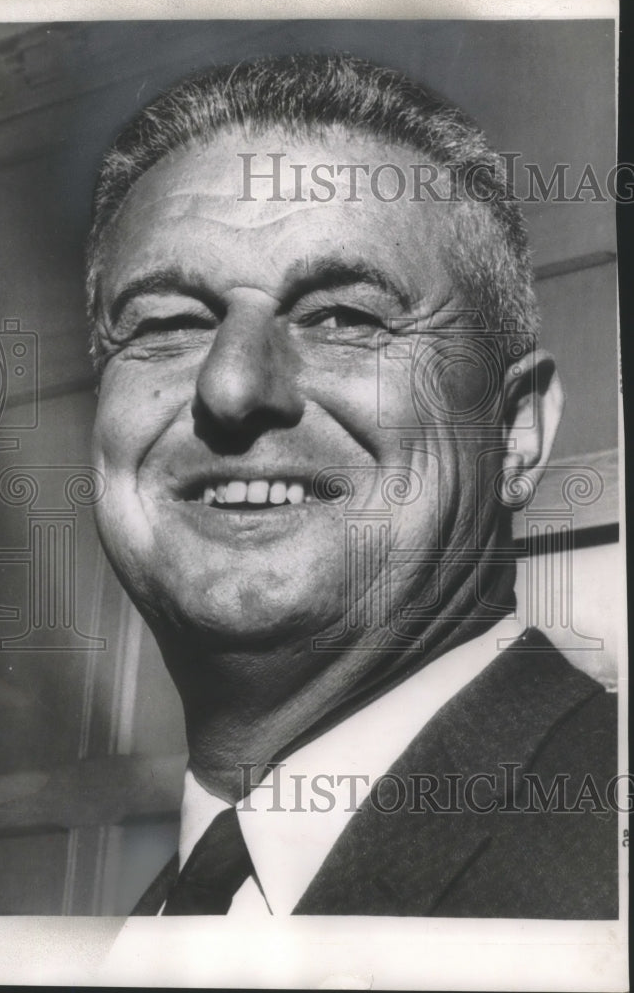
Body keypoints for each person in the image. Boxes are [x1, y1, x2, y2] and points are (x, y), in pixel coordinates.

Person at [87, 53, 618, 918]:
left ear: (514, 431)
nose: (230, 388)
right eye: (168, 323)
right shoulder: (173, 913)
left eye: (345, 316)